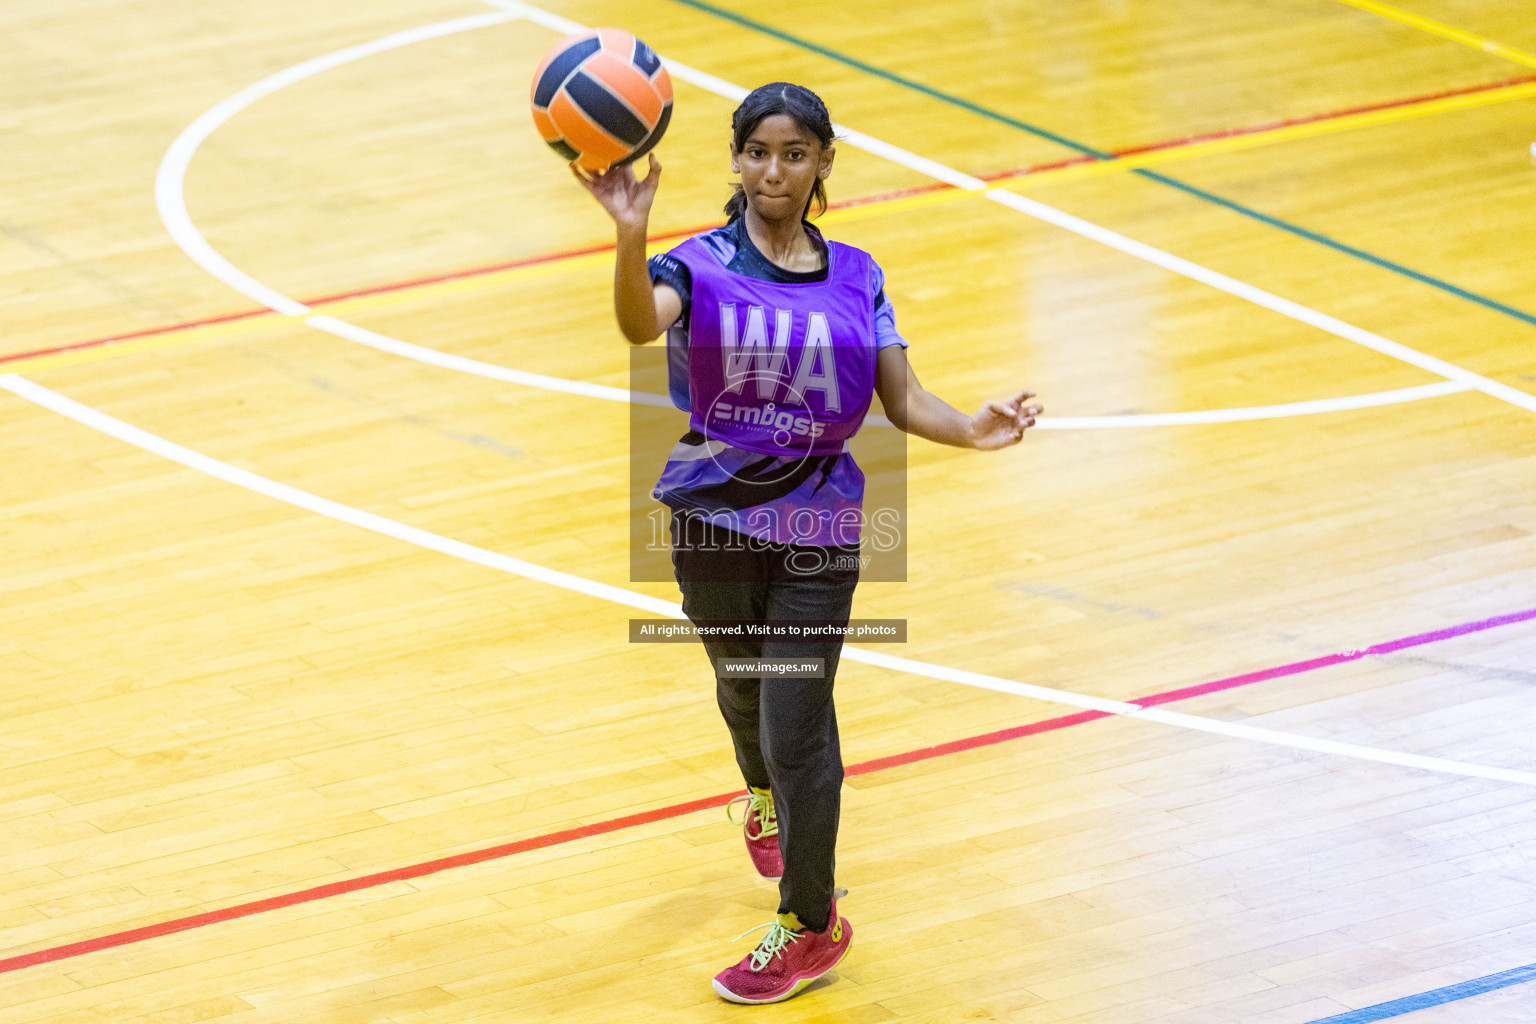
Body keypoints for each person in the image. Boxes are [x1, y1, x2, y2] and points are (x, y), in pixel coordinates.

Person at [574, 81, 1040, 1005]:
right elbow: (637, 324)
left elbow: (901, 401)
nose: (774, 170)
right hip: (710, 517)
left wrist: (973, 428)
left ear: (824, 161)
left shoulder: (859, 273)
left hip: (821, 525)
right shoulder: (695, 263)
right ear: (737, 161)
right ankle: (755, 794)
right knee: (740, 691)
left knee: (798, 722)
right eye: (757, 152)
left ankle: (810, 923)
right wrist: (630, 234)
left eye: (795, 154)